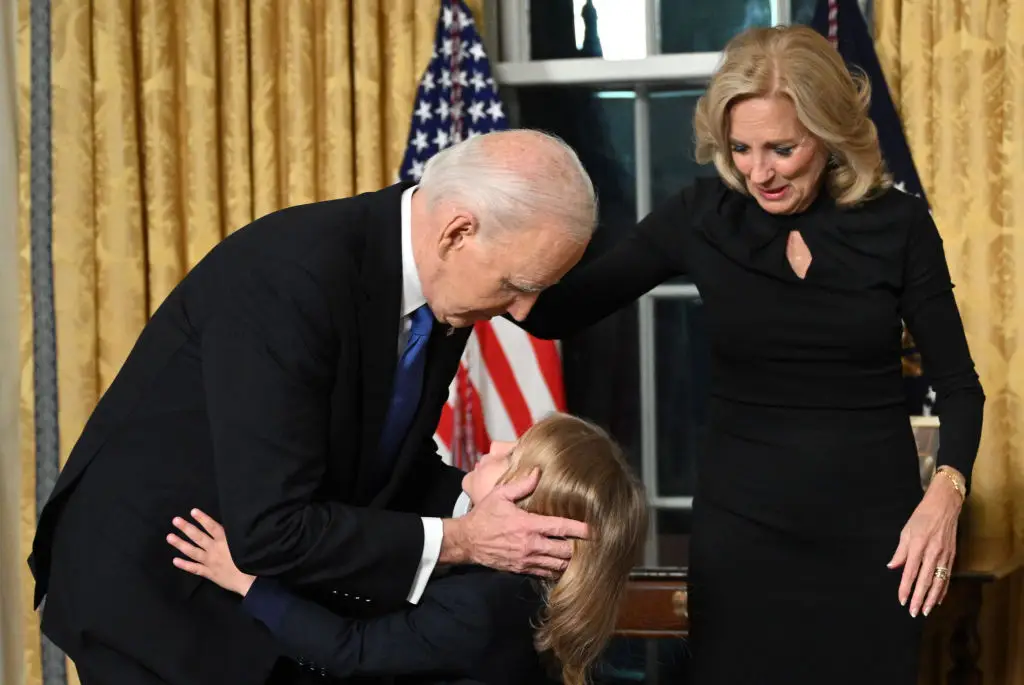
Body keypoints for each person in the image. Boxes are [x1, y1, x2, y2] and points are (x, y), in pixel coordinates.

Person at [28, 130, 597, 685]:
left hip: (253, 585)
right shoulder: (292, 277)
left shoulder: (446, 292)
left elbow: (382, 452)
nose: (523, 313)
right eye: (517, 285)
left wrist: (483, 501)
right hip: (155, 592)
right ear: (457, 234)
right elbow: (271, 530)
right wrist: (465, 538)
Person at [518, 25, 984, 685]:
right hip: (743, 538)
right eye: (740, 148)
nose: (758, 171)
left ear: (826, 134)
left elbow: (961, 386)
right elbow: (564, 308)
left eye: (782, 149)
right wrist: (483, 252)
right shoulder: (701, 215)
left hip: (873, 538)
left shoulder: (897, 226)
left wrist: (945, 495)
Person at [165, 412, 647, 685]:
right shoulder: (515, 591)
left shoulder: (482, 604)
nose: (497, 442)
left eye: (513, 455)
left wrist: (244, 579)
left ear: (528, 510)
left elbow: (352, 652)